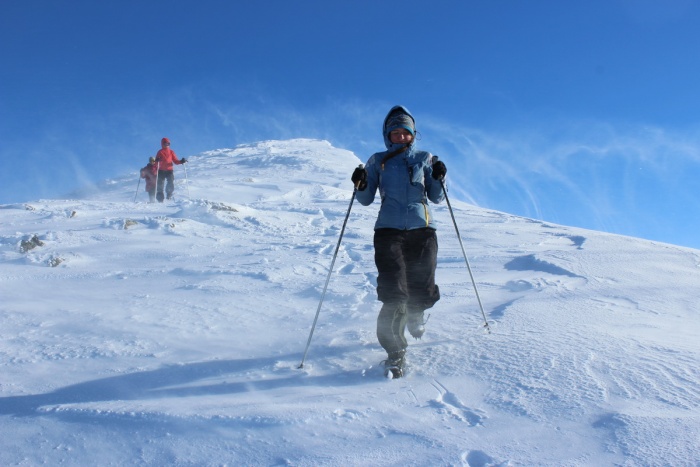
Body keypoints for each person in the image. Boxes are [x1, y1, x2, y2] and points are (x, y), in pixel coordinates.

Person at [351, 105, 447, 378]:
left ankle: (417, 313)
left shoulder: (425, 158)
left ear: (413, 134)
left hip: (423, 230)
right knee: (394, 292)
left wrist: (439, 175)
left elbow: (437, 196)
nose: (400, 137)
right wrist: (359, 183)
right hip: (388, 231)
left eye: (405, 133)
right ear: (387, 135)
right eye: (395, 133)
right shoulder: (377, 160)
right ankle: (395, 354)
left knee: (422, 287)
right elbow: (366, 198)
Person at [154, 137, 187, 202]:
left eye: (168, 143)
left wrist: (181, 161)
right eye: (165, 143)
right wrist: (157, 161)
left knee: (170, 182)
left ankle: (169, 195)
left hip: (169, 170)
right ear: (162, 144)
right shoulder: (160, 152)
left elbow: (175, 161)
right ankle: (160, 199)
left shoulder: (171, 152)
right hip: (161, 170)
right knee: (160, 184)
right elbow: (155, 163)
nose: (167, 145)